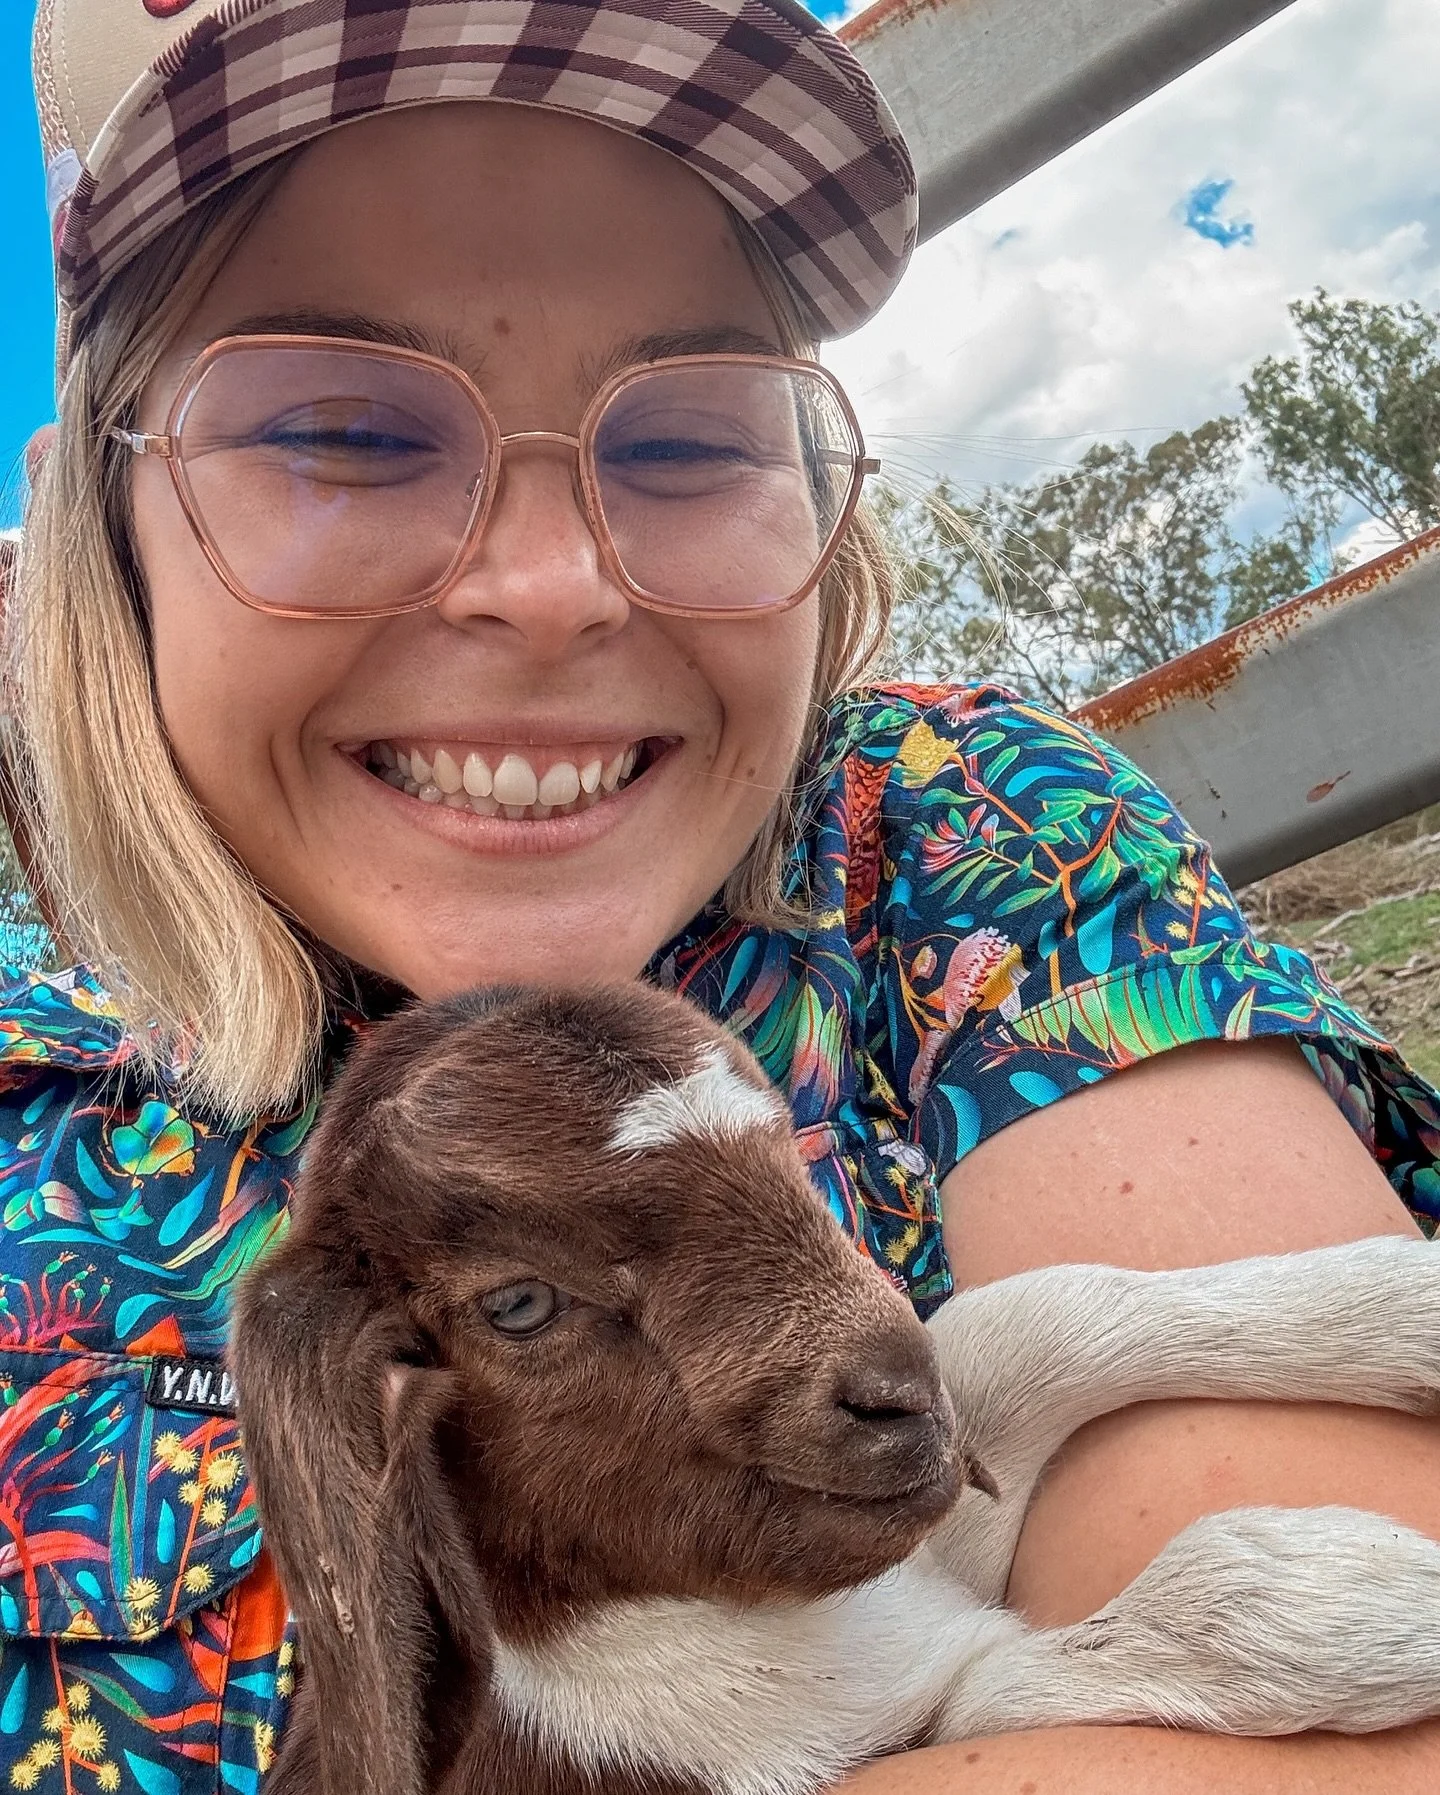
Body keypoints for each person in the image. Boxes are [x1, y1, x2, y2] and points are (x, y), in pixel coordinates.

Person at [2, 1, 1438, 1790]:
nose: (553, 586)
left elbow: (1371, 1730)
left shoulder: (960, 842)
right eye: (345, 433)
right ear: (94, 524)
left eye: (686, 441)